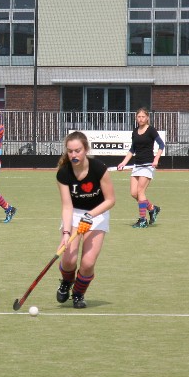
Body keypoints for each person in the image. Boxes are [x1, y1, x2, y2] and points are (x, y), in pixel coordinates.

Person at [55, 131, 116, 308]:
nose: (74, 155)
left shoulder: (99, 168)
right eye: (70, 151)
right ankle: (67, 281)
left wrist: (90, 216)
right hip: (74, 214)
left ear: (86, 150)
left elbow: (110, 200)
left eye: (78, 151)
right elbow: (67, 206)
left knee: (88, 263)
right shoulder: (63, 173)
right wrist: (66, 233)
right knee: (68, 260)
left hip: (97, 214)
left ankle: (78, 293)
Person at [116, 107, 165, 228]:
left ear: (147, 118)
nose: (141, 119)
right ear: (136, 118)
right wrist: (123, 163)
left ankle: (143, 220)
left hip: (147, 166)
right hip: (137, 165)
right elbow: (132, 149)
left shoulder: (151, 130)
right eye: (139, 117)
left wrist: (156, 159)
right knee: (134, 193)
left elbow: (161, 144)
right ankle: (152, 208)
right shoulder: (135, 132)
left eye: (143, 116)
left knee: (140, 192)